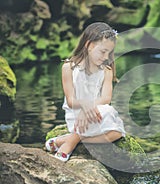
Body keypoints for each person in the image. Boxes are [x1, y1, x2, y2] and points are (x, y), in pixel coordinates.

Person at [45, 22, 126, 162]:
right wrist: (84, 106)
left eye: (109, 53)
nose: (106, 57)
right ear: (89, 45)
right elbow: (71, 101)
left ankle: (70, 139)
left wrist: (89, 108)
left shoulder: (106, 70)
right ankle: (70, 143)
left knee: (117, 132)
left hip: (96, 113)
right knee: (106, 117)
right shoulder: (68, 68)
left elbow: (106, 98)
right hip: (77, 116)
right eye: (103, 51)